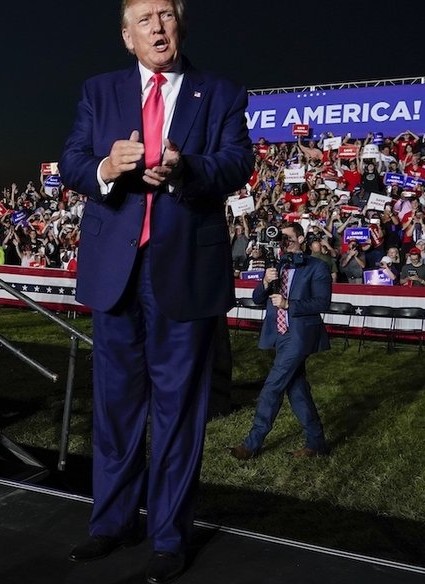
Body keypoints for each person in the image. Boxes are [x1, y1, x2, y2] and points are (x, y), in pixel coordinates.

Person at [58, 2, 253, 582]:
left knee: (178, 411)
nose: (158, 27)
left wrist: (187, 167)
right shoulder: (98, 91)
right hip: (114, 272)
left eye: (166, 14)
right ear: (126, 36)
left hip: (184, 273)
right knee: (115, 408)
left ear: (181, 25)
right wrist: (104, 167)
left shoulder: (219, 91)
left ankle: (170, 537)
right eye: (144, 19)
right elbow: (71, 161)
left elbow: (237, 163)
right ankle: (112, 524)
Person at [230, 221, 331, 461]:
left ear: (301, 239)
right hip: (279, 334)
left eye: (289, 239)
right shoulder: (276, 266)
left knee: (272, 388)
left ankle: (252, 444)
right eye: (281, 240)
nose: (285, 243)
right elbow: (256, 298)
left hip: (299, 335)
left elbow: (322, 303)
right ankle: (316, 444)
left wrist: (289, 304)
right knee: (297, 390)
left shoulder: (317, 266)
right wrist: (266, 281)